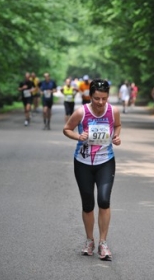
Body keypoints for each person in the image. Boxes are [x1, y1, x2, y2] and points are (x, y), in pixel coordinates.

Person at [63, 78, 121, 261]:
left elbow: (117, 126)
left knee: (103, 201)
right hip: (83, 163)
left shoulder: (113, 111)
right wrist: (79, 136)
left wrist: (116, 137)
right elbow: (66, 129)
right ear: (90, 96)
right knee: (88, 205)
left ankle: (103, 243)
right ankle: (90, 240)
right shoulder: (82, 112)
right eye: (96, 98)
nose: (100, 102)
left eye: (104, 98)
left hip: (106, 161)